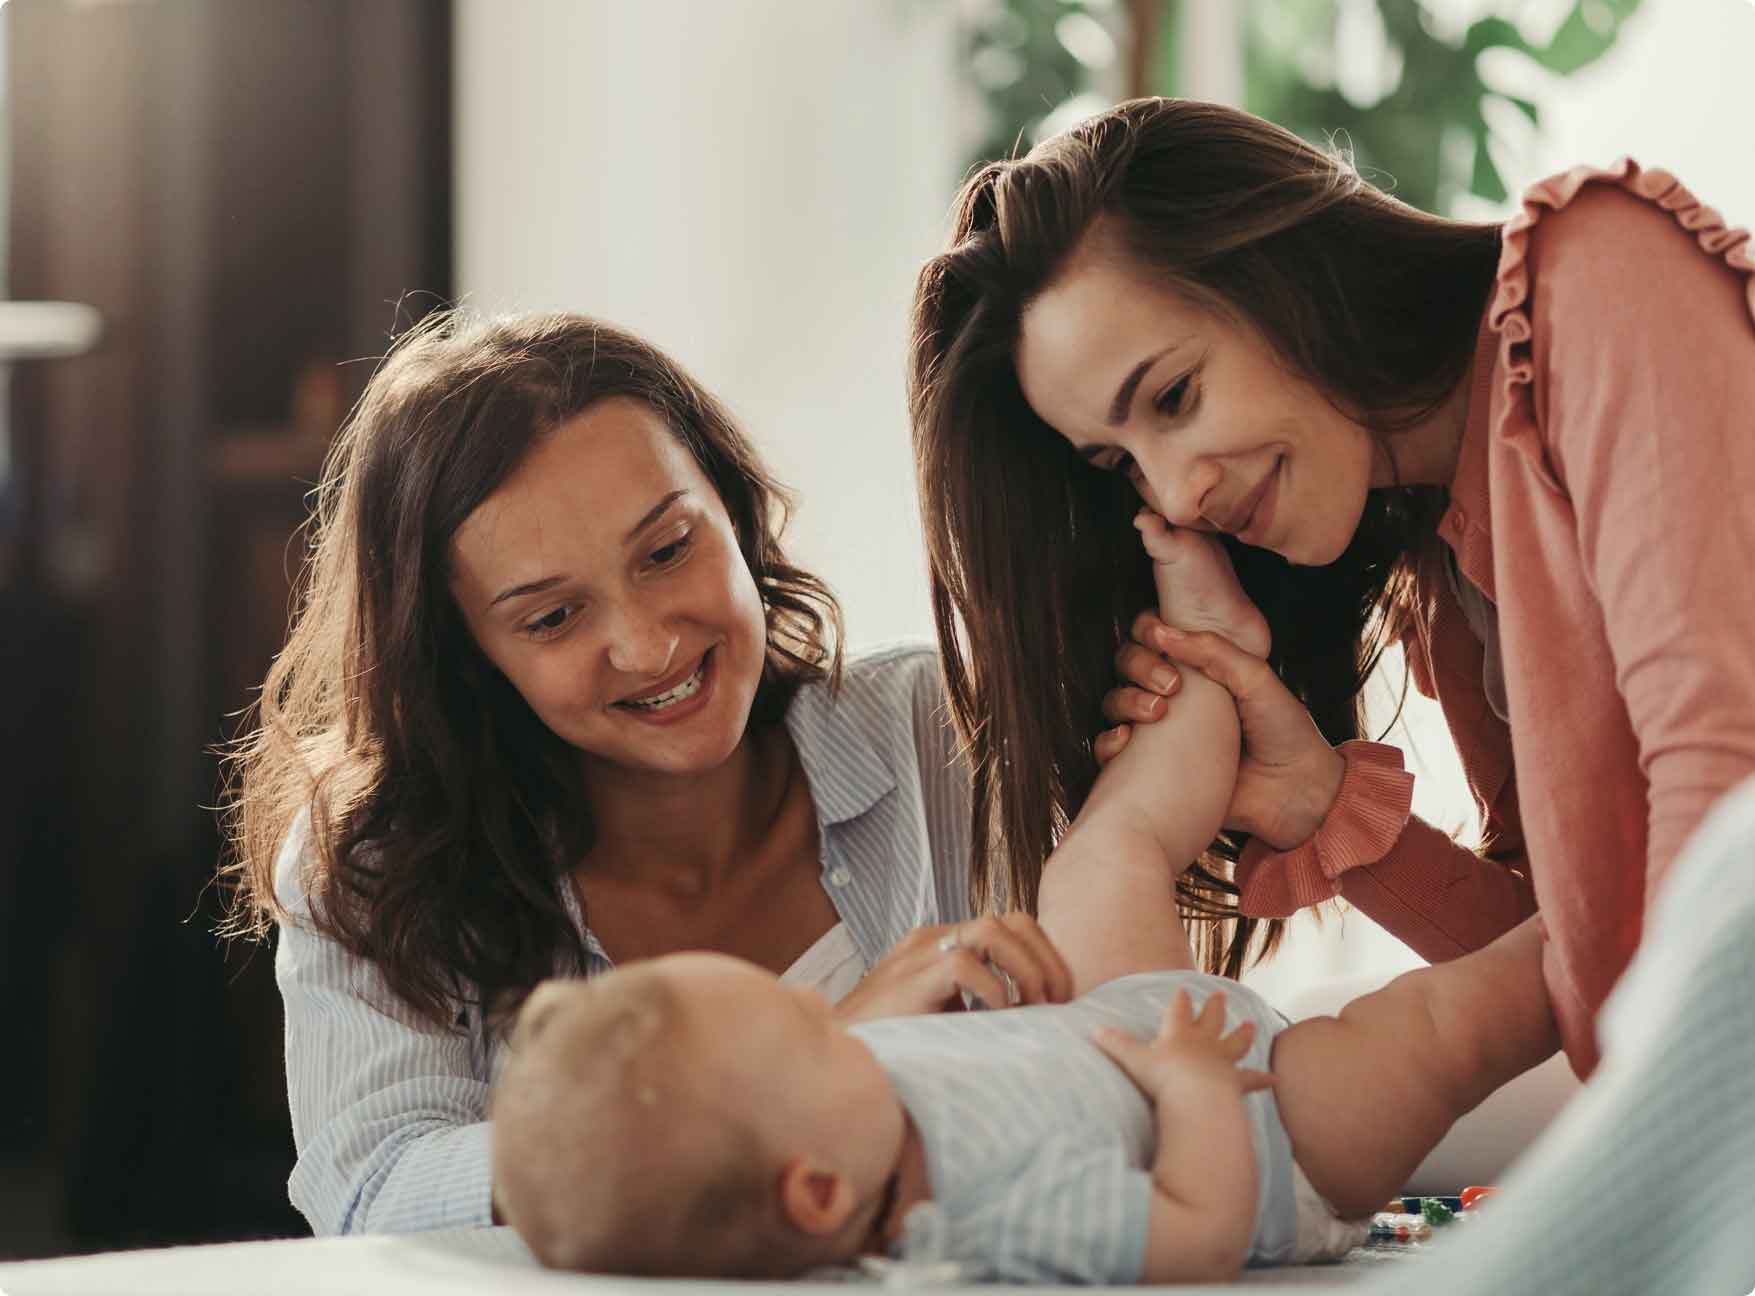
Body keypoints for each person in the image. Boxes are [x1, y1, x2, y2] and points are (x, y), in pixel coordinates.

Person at [909, 96, 1755, 1076]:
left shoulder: (1603, 275)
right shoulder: (1442, 576)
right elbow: (1578, 971)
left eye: (1176, 396)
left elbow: (1726, 791)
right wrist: (1314, 795)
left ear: (1286, 274)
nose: (1178, 493)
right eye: (1120, 464)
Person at [490, 523, 1558, 1282]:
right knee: (1439, 1027)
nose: (848, 1025)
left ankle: (1211, 653)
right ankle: (1624, 926)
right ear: (819, 1194)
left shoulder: (836, 1112)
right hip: (1266, 1126)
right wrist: (1193, 1092)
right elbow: (1195, 1239)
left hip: (1116, 1024)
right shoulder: (981, 1219)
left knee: (1102, 861)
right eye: (816, 1040)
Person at [217, 310, 1075, 1236]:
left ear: (733, 510)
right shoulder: (380, 862)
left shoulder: (940, 729)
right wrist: (821, 1055)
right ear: (466, 655)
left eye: (668, 551)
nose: (648, 645)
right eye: (551, 618)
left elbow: (1119, 1064)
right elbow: (376, 1195)